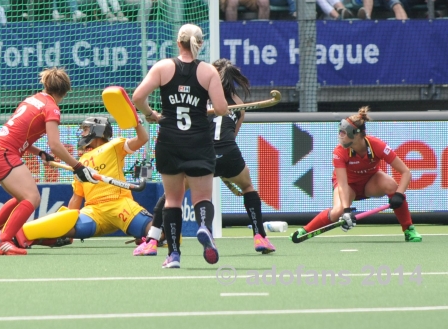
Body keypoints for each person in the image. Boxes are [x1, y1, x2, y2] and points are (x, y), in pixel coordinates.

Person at [135, 59, 276, 257]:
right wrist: (224, 171)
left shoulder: (200, 96)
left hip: (202, 153)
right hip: (229, 155)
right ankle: (260, 236)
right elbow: (231, 136)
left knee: (171, 196)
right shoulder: (239, 104)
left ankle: (151, 240)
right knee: (248, 187)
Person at [0, 67, 98, 256]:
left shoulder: (32, 100)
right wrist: (77, 166)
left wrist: (39, 153)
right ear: (64, 91)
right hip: (4, 153)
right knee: (32, 198)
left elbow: (21, 135)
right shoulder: (52, 107)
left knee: (22, 198)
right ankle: (3, 241)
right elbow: (55, 144)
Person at [132, 24, 229, 268]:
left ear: (178, 43)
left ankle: (173, 255)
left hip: (169, 140)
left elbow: (137, 97)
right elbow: (221, 110)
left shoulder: (163, 67)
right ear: (201, 44)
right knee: (202, 196)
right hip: (198, 141)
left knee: (173, 200)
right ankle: (205, 227)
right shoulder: (208, 72)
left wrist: (151, 114)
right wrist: (202, 107)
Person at [14, 116, 151, 249]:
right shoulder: (80, 163)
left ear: (96, 130)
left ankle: (157, 235)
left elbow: (143, 138)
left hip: (120, 204)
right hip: (94, 212)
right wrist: (66, 225)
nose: (82, 133)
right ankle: (21, 234)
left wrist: (136, 122)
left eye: (85, 129)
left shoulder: (114, 146)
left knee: (156, 232)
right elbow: (76, 196)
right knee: (65, 227)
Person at [291, 107, 422, 243]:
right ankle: (305, 230)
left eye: (344, 133)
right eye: (340, 132)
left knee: (392, 186)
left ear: (357, 134)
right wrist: (346, 210)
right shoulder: (339, 152)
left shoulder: (377, 146)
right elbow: (342, 184)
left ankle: (409, 229)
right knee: (338, 210)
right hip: (348, 186)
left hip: (370, 182)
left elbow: (406, 172)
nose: (340, 136)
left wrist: (399, 195)